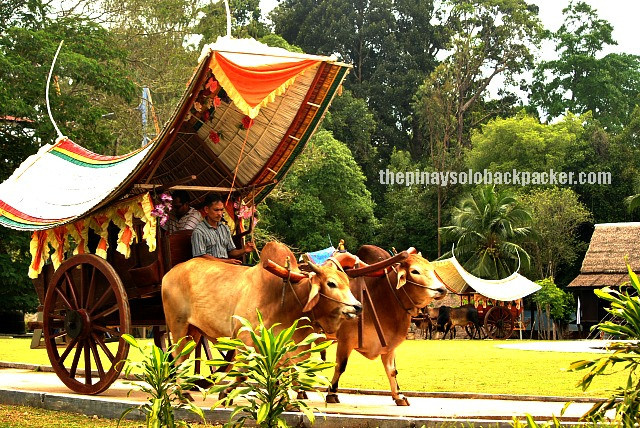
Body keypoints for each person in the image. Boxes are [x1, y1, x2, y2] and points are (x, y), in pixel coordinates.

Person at [191, 193, 255, 265]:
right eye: (216, 210)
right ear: (206, 209)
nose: (219, 213)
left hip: (225, 267)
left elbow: (231, 251)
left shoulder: (224, 228)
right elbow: (200, 257)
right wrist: (226, 262)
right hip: (209, 270)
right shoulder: (199, 231)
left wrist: (244, 250)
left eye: (221, 210)